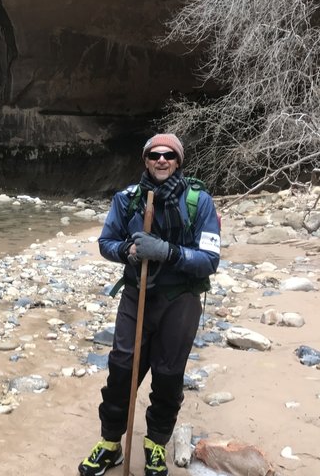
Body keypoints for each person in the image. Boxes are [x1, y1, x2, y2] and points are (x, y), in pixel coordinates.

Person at [78, 133, 220, 476]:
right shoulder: (126, 200)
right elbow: (105, 242)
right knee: (122, 371)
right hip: (136, 294)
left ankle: (155, 443)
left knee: (169, 376)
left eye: (168, 155)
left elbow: (210, 259)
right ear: (145, 160)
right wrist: (126, 251)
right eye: (154, 154)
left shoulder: (198, 203)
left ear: (178, 161)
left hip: (180, 300)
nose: (161, 160)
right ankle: (111, 443)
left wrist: (168, 252)